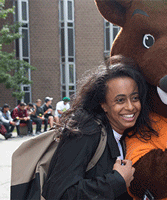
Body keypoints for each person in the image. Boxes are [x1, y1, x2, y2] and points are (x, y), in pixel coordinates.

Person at [42, 58, 157, 199]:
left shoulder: (124, 134)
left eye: (135, 98)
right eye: (120, 100)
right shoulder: (86, 132)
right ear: (103, 104)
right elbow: (59, 193)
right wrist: (117, 181)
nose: (130, 107)